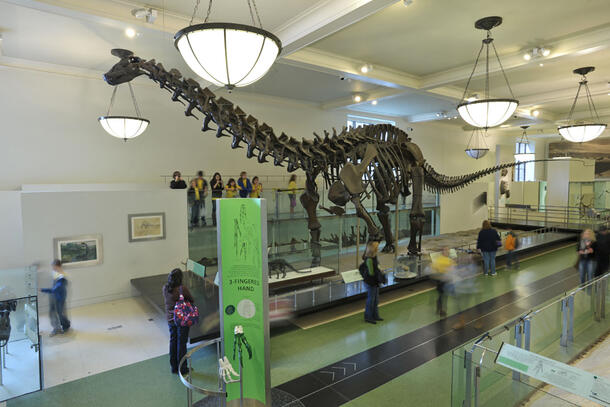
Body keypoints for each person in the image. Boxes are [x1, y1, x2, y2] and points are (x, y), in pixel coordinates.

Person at [163, 268, 194, 375]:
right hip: (181, 320)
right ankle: (183, 368)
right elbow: (191, 299)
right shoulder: (182, 289)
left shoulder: (165, 288)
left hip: (170, 320)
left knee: (173, 341)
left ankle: (174, 367)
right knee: (182, 344)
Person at [41, 259, 70, 336]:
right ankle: (56, 328)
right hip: (55, 296)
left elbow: (55, 289)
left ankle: (66, 325)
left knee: (60, 313)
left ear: (58, 266)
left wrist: (42, 290)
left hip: (59, 297)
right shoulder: (56, 273)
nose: (52, 268)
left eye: (54, 267)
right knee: (53, 312)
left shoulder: (62, 277)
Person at [360, 241, 386, 324]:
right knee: (371, 300)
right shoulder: (369, 260)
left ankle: (375, 315)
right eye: (376, 248)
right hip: (370, 282)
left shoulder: (374, 257)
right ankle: (368, 316)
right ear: (373, 250)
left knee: (375, 300)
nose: (378, 249)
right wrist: (380, 272)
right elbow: (371, 273)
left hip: (375, 282)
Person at [430, 247, 456, 319]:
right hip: (443, 280)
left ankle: (439, 309)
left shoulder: (441, 260)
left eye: (448, 251)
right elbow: (452, 270)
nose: (448, 252)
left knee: (441, 296)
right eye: (446, 251)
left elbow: (432, 269)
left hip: (441, 280)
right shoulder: (447, 261)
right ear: (443, 252)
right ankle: (441, 310)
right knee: (443, 296)